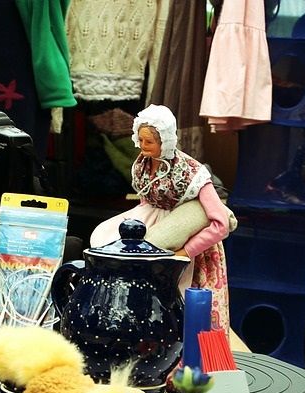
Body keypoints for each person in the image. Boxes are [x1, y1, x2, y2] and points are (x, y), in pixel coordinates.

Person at [90, 105, 231, 333]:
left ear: (165, 140)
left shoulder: (191, 173)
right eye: (140, 140)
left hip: (188, 239)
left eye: (149, 141)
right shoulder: (143, 165)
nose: (143, 146)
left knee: (184, 304)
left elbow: (221, 224)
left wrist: (186, 252)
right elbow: (146, 200)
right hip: (153, 229)